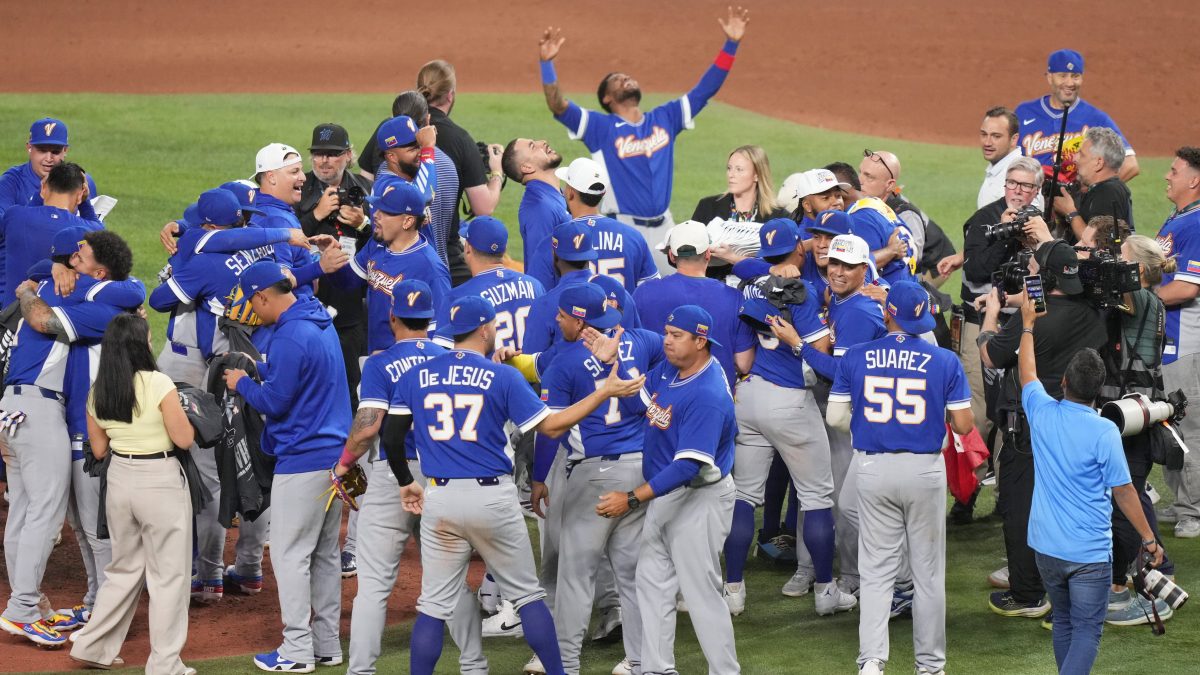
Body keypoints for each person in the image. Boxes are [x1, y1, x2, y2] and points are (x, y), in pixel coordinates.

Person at [374, 294, 644, 675]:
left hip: (440, 497)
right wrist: (603, 392)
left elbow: (391, 436)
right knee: (528, 597)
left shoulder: (415, 376)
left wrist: (405, 481)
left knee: (433, 607)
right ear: (484, 329)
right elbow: (550, 427)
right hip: (491, 500)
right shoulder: (501, 376)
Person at [0, 230, 141, 647]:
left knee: (29, 512)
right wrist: (41, 282)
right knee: (48, 511)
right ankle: (24, 608)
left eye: (80, 256)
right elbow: (45, 316)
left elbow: (132, 288)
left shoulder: (72, 291)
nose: (73, 260)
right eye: (71, 255)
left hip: (19, 408)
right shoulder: (67, 295)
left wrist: (32, 283)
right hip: (43, 409)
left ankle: (59, 604)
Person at [336, 280, 485, 675]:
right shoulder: (449, 355)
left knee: (374, 584)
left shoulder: (383, 364)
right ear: (432, 318)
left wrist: (345, 463)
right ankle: (473, 665)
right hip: (444, 476)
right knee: (450, 578)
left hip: (394, 478)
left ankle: (361, 671)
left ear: (392, 316)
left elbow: (369, 428)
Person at [827, 281, 974, 675]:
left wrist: (873, 426)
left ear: (887, 312)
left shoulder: (856, 356)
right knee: (927, 573)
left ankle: (872, 661)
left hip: (873, 468)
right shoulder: (944, 361)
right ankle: (929, 667)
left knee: (876, 570)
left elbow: (836, 418)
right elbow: (963, 423)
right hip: (924, 471)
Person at [537, 8, 750, 270]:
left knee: (674, 293)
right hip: (623, 228)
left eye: (627, 77)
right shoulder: (600, 127)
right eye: (617, 80)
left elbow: (705, 90)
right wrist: (547, 65)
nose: (625, 78)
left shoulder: (665, 117)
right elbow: (558, 106)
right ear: (607, 98)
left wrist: (731, 44)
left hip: (665, 228)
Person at [1016, 299, 1164, 674]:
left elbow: (1028, 373)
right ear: (1100, 391)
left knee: (1064, 622)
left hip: (1046, 547)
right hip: (1089, 554)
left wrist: (1028, 325)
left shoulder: (1041, 412)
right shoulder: (1104, 431)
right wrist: (1149, 538)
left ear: (1064, 382)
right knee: (1086, 630)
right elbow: (1125, 492)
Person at [593, 305, 739, 674]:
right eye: (667, 333)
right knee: (652, 584)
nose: (667, 341)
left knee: (701, 592)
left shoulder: (706, 394)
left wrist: (630, 499)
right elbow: (639, 403)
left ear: (700, 341)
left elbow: (688, 465)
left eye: (676, 336)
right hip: (668, 495)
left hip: (698, 500)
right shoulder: (673, 371)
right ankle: (657, 669)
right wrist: (614, 367)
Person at [221, 261, 352, 672]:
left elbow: (275, 402)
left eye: (252, 302)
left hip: (303, 460)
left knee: (290, 555)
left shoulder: (289, 335)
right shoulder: (315, 320)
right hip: (334, 459)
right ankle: (327, 644)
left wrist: (242, 383)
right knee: (325, 555)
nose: (252, 311)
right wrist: (258, 369)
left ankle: (296, 650)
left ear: (262, 296)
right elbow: (300, 376)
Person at [721, 219, 853, 617]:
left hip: (750, 396)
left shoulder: (751, 287)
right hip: (791, 401)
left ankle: (732, 589)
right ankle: (826, 591)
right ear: (798, 247)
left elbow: (743, 354)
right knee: (816, 497)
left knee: (744, 496)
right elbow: (824, 358)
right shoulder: (803, 291)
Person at [978, 237, 1107, 617]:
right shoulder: (1094, 308)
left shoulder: (1034, 317)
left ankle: (1027, 593)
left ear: (1046, 276)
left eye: (1034, 269)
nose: (1028, 272)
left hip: (1030, 431)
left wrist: (991, 313)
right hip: (1079, 425)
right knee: (1067, 506)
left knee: (1019, 507)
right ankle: (1068, 584)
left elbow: (992, 354)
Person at [536, 283, 661, 675]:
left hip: (594, 476)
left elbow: (550, 431)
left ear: (579, 319)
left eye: (562, 315)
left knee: (575, 575)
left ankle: (566, 665)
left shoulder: (564, 362)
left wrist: (539, 476)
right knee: (632, 574)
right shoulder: (640, 343)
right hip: (641, 470)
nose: (556, 319)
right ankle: (641, 661)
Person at [67, 314, 197, 674]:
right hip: (160, 480)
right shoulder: (158, 383)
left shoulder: (99, 392)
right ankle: (165, 664)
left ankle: (92, 646)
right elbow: (184, 439)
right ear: (140, 345)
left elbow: (98, 450)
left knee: (123, 569)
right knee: (169, 576)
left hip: (120, 481)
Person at [939, 157, 1045, 468]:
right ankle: (967, 492)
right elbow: (975, 271)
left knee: (1014, 408)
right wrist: (1005, 232)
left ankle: (1004, 488)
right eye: (1012, 183)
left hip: (1024, 325)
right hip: (979, 323)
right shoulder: (984, 219)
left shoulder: (1043, 224)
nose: (1017, 190)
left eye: (1025, 185)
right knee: (978, 410)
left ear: (1036, 190)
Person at [1102, 233, 1177, 625]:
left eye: (1121, 257)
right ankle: (1133, 575)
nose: (1115, 261)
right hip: (1141, 411)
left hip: (1127, 415)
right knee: (1127, 495)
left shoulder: (1139, 299)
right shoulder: (1154, 301)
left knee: (1123, 501)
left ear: (1137, 269)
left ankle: (1117, 589)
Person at [295, 123, 372, 412]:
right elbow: (284, 241)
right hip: (306, 306)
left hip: (349, 309)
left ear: (349, 156)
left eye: (333, 154)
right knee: (307, 387)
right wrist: (316, 214)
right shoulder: (298, 191)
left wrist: (362, 224)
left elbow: (385, 242)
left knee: (351, 387)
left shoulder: (365, 191)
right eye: (318, 154)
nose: (324, 160)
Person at [328, 179, 451, 354]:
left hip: (408, 369)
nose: (375, 215)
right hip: (375, 357)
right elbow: (348, 282)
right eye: (377, 208)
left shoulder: (431, 269)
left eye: (386, 211)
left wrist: (396, 359)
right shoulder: (376, 244)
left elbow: (441, 340)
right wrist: (330, 264)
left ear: (407, 221)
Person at [632, 220, 755, 384]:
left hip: (655, 400)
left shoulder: (643, 292)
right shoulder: (735, 297)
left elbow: (630, 348)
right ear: (708, 254)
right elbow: (744, 363)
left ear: (671, 256)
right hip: (712, 399)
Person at [418, 60, 505, 285]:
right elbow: (483, 207)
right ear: (450, 95)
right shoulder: (459, 139)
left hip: (392, 246)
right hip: (441, 251)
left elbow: (366, 180)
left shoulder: (393, 128)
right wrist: (496, 173)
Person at [526, 157, 658, 293]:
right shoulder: (634, 237)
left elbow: (536, 298)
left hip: (573, 314)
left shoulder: (552, 243)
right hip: (623, 313)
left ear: (570, 193)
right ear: (603, 193)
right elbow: (651, 293)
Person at [1154, 146, 1200, 538]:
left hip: (1186, 343)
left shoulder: (1198, 223)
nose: (1167, 175)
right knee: (1169, 426)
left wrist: (1141, 299)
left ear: (1194, 180)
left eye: (1174, 170)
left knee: (1190, 428)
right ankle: (1181, 500)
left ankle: (1195, 511)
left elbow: (1185, 288)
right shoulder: (1179, 218)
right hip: (1166, 341)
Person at [1015, 49, 1139, 184]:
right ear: (1050, 77)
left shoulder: (1096, 119)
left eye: (1075, 76)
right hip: (1030, 200)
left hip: (1073, 202)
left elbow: (1130, 165)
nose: (1069, 83)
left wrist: (1089, 197)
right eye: (1062, 76)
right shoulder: (1024, 113)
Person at [0, 161, 102, 304]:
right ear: (80, 195)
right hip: (53, 321)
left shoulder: (14, 216)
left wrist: (40, 193)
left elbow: (28, 212)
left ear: (43, 188)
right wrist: (84, 202)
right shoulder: (89, 231)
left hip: (9, 320)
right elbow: (100, 228)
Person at [446, 215, 545, 352]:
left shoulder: (458, 298)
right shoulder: (535, 286)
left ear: (468, 248)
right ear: (504, 250)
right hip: (533, 370)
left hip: (489, 371)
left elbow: (442, 353)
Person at [500, 137, 569, 290]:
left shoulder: (554, 197)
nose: (543, 142)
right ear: (527, 167)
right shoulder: (539, 208)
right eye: (532, 146)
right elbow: (541, 273)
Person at [0, 118, 98, 219]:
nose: (48, 158)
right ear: (29, 148)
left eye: (55, 152)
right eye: (42, 151)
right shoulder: (11, 182)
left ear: (65, 150)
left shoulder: (84, 182)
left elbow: (95, 230)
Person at [1051, 126, 1133, 242]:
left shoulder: (1109, 192)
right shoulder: (1100, 189)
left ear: (1098, 163)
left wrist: (1070, 213)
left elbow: (1096, 243)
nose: (1075, 158)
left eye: (1082, 154)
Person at [858, 150, 927, 264]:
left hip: (934, 265)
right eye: (860, 172)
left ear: (890, 185)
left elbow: (912, 259)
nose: (859, 181)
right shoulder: (859, 205)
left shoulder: (905, 215)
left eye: (869, 177)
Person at [978, 106, 1025, 209]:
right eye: (984, 134)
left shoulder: (1019, 175)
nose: (987, 142)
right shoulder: (999, 167)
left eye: (996, 136)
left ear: (1014, 139)